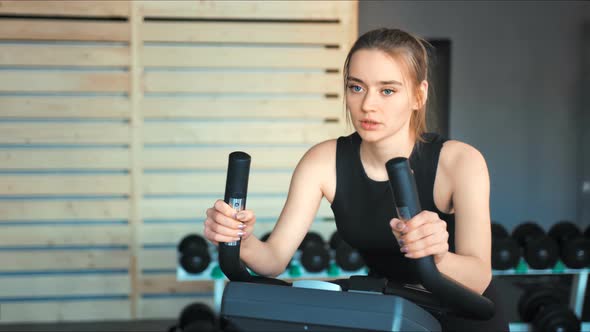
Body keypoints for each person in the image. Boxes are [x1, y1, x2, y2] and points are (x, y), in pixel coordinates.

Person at [204, 28, 509, 331]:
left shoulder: (460, 162)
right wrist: (240, 239)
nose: (367, 105)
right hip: (389, 312)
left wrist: (438, 255)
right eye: (356, 87)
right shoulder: (323, 162)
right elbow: (273, 259)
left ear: (419, 95)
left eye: (387, 90)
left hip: (466, 316)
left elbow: (478, 277)